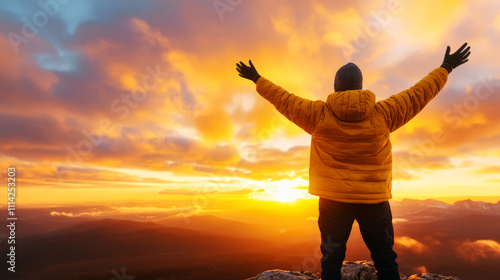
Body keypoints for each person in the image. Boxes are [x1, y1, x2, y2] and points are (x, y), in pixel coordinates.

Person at [236, 43, 471, 280]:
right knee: (384, 256)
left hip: (333, 200)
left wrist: (256, 78)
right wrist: (446, 67)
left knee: (331, 257)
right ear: (360, 87)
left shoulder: (317, 115)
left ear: (336, 87)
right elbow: (419, 93)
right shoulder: (384, 113)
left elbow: (283, 99)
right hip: (373, 199)